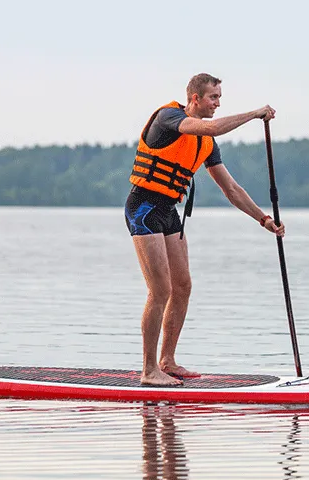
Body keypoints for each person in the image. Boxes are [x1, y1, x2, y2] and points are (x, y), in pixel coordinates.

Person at [124, 73, 285, 386]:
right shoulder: (169, 117)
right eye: (213, 97)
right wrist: (254, 114)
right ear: (195, 98)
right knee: (160, 290)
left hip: (168, 213)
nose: (218, 103)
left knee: (182, 287)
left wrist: (263, 219)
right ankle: (148, 371)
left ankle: (167, 361)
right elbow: (211, 126)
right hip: (143, 208)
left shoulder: (206, 144)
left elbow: (231, 188)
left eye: (220, 98)